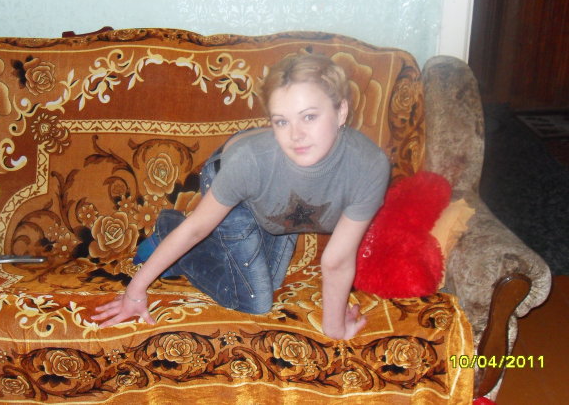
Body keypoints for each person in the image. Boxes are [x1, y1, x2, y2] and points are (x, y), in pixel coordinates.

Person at [91, 53, 390, 340]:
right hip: (235, 172)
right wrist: (135, 292)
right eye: (281, 121)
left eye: (309, 117)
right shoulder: (250, 162)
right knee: (255, 299)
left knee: (271, 281)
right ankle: (167, 229)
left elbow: (337, 259)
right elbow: (197, 228)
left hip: (278, 205)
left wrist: (335, 329)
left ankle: (195, 247)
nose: (295, 135)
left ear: (341, 111)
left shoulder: (369, 167)